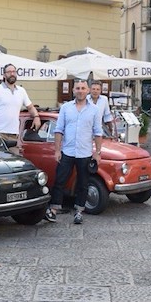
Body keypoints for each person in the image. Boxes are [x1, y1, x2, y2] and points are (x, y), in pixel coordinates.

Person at [45, 79, 102, 224]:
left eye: (83, 88)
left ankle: (79, 211)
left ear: (87, 90)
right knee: (59, 181)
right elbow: (59, 130)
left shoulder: (94, 110)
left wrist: (97, 152)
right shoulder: (66, 108)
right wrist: (57, 150)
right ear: (73, 90)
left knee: (83, 184)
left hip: (85, 153)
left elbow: (98, 132)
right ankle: (53, 210)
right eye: (78, 88)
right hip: (67, 152)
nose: (80, 90)